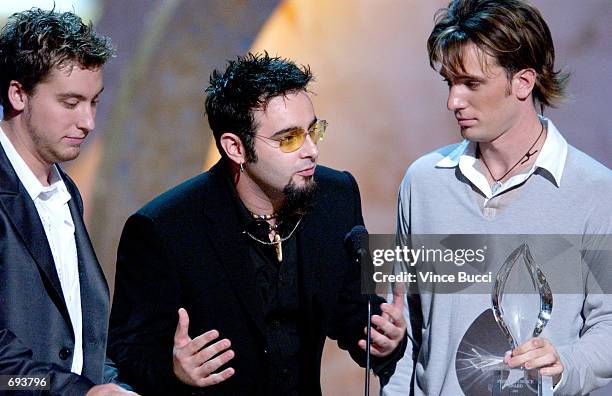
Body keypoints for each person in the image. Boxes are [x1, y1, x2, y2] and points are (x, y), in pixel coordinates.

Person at [108, 52, 407, 395]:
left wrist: (383, 337)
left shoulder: (337, 198)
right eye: (289, 138)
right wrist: (173, 370)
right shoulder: (163, 228)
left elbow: (354, 314)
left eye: (313, 131)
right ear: (235, 147)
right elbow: (127, 353)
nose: (311, 150)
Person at [382, 0, 612, 395]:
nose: (453, 101)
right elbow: (408, 328)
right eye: (449, 83)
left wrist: (563, 366)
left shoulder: (595, 190)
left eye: (471, 83)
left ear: (523, 82)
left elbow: (609, 325)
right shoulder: (422, 183)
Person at [0, 8, 133, 395]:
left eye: (94, 102)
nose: (89, 121)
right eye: (71, 102)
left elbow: (80, 344)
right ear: (18, 93)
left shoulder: (65, 192)